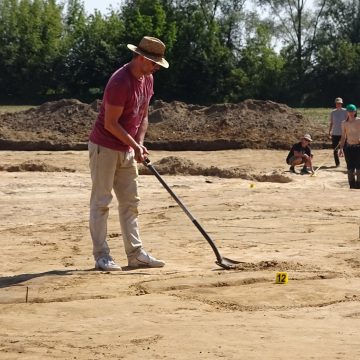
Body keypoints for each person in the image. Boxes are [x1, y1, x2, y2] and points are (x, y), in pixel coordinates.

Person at [88, 36, 169, 271]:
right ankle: (102, 256)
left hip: (127, 148)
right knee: (101, 202)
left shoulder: (148, 79)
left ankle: (135, 255)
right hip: (104, 147)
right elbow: (111, 124)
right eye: (154, 63)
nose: (156, 68)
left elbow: (143, 115)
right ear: (142, 58)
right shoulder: (119, 81)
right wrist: (134, 145)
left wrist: (140, 144)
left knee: (131, 203)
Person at [338, 104, 360, 189]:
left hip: (358, 147)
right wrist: (341, 148)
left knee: (359, 167)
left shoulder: (359, 121)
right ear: (347, 112)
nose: (351, 113)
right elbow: (343, 136)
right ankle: (351, 185)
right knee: (350, 167)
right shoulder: (344, 123)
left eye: (353, 111)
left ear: (355, 112)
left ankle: (358, 185)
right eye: (349, 111)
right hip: (349, 147)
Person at [328, 97, 347, 167]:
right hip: (335, 133)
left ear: (341, 104)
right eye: (337, 103)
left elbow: (347, 122)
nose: (338, 104)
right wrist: (329, 132)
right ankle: (337, 164)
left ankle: (348, 163)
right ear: (335, 104)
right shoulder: (333, 112)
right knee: (335, 150)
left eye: (339, 103)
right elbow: (331, 123)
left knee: (345, 149)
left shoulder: (345, 111)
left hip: (343, 133)